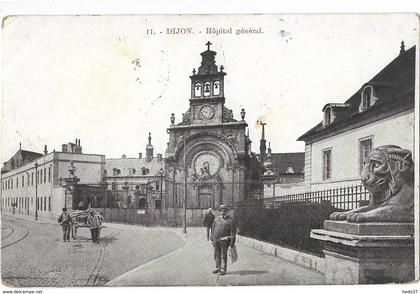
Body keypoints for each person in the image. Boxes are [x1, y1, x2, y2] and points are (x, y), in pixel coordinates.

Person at [210, 205, 236, 275]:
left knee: (223, 255)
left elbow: (232, 232)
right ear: (219, 211)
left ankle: (223, 269)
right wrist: (212, 238)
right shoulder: (216, 219)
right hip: (216, 240)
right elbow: (213, 229)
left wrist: (232, 244)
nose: (222, 212)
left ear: (227, 211)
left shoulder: (230, 220)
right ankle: (218, 267)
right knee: (216, 254)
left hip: (225, 241)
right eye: (221, 211)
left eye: (224, 211)